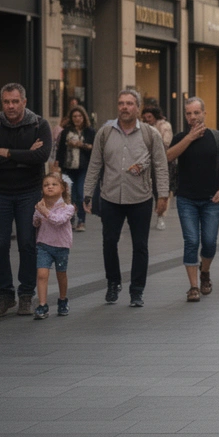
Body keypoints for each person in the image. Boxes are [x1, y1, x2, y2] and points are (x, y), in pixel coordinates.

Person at [85, 90, 169, 308]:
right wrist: (87, 192)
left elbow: (161, 166)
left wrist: (163, 195)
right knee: (109, 242)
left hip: (140, 198)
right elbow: (95, 164)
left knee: (140, 245)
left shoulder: (150, 134)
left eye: (129, 103)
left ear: (138, 107)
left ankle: (137, 290)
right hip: (110, 197)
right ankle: (113, 282)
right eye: (121, 103)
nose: (124, 107)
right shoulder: (105, 133)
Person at [0, 83, 53, 318]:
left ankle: (25, 295)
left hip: (29, 193)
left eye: (14, 101)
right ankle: (5, 295)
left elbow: (41, 156)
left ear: (24, 101)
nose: (10, 106)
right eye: (6, 102)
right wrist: (25, 155)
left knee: (27, 244)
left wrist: (9, 152)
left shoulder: (39, 124)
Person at [166, 97, 219, 302]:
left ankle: (205, 272)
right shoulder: (180, 137)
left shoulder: (217, 137)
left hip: (212, 199)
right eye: (189, 113)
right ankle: (193, 286)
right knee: (192, 241)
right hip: (187, 199)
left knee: (210, 242)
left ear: (204, 113)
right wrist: (189, 138)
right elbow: (167, 157)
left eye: (196, 113)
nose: (193, 117)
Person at [31, 172, 75, 320]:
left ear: (62, 188)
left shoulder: (68, 208)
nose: (49, 187)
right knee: (42, 274)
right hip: (43, 245)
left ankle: (63, 299)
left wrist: (44, 212)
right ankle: (42, 304)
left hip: (61, 246)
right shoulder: (40, 206)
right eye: (46, 185)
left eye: (54, 184)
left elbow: (58, 221)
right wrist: (38, 215)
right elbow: (35, 222)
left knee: (61, 274)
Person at [57, 106, 95, 232]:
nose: (77, 119)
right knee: (68, 194)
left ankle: (81, 220)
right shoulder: (66, 131)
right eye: (74, 116)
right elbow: (60, 149)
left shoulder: (89, 131)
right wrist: (58, 165)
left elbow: (95, 148)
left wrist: (81, 145)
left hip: (83, 167)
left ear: (84, 117)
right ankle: (71, 218)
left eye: (79, 116)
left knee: (80, 193)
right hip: (68, 167)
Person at [141, 105, 174, 231]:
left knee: (159, 190)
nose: (147, 119)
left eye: (149, 117)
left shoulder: (164, 126)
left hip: (160, 162)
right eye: (145, 117)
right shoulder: (142, 127)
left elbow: (166, 143)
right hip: (145, 162)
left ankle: (160, 216)